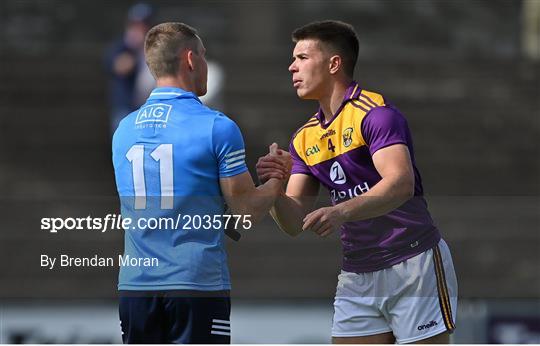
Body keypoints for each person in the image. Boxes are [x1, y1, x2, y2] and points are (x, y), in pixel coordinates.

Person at [256, 20, 458, 344]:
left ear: (334, 63)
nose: (292, 66)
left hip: (412, 262)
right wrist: (274, 188)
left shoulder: (375, 113)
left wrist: (341, 212)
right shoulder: (304, 138)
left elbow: (400, 183)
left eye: (303, 58)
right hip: (357, 273)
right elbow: (293, 222)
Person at [112, 22, 288, 344]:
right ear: (191, 59)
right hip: (195, 284)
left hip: (136, 286)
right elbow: (247, 211)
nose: (206, 64)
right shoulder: (216, 127)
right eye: (204, 55)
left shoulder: (123, 129)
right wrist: (277, 177)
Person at [105, 3, 156, 134]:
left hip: (152, 109)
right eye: (136, 24)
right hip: (127, 109)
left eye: (145, 24)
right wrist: (135, 48)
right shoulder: (121, 46)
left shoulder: (156, 47)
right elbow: (120, 67)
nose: (141, 28)